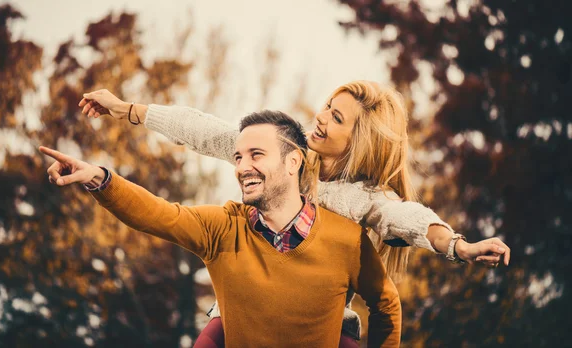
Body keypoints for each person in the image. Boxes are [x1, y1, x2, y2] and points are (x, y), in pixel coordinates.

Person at [78, 80, 511, 345]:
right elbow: (203, 130)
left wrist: (457, 245)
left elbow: (410, 219)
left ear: (358, 138)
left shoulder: (367, 199)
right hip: (245, 315)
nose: (321, 118)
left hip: (319, 323)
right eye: (326, 106)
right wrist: (127, 109)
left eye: (336, 118)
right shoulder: (287, 149)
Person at [39, 110, 402, 348]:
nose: (243, 166)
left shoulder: (346, 239)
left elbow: (385, 303)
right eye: (239, 157)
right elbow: (157, 214)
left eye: (256, 155)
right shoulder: (222, 229)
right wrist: (101, 179)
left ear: (294, 162)